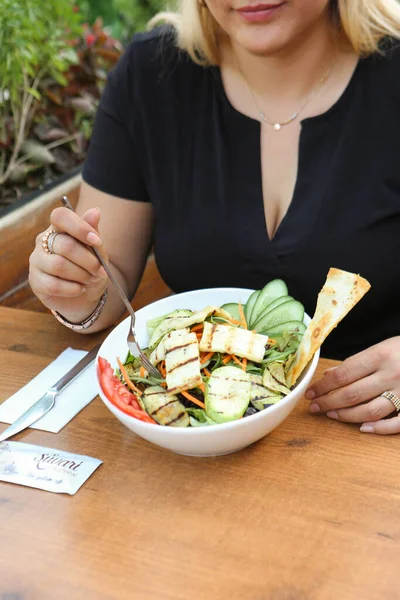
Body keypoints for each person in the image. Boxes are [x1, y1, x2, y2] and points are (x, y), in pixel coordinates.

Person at [29, 0, 400, 434]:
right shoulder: (152, 74)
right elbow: (109, 286)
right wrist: (75, 287)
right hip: (192, 441)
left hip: (374, 442)